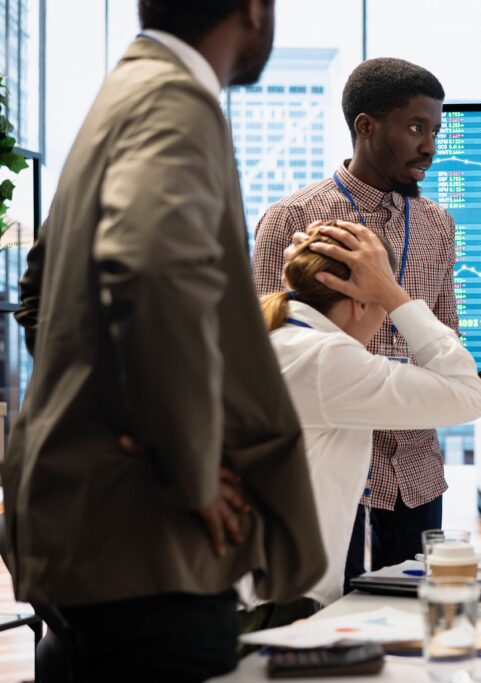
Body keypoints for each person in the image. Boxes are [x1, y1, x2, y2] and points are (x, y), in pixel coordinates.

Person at [2, 1, 327, 679]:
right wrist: (189, 461)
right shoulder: (176, 101)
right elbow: (148, 268)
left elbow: (41, 295)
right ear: (253, 10)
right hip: (145, 537)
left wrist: (107, 406)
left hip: (83, 528)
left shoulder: (122, 93)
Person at [251, 57, 481, 587]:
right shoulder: (290, 217)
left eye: (436, 130)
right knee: (324, 611)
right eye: (416, 127)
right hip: (325, 469)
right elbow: (269, 344)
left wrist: (468, 385)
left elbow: (444, 329)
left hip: (415, 465)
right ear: (366, 127)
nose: (430, 146)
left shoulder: (437, 223)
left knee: (423, 608)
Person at [238, 221, 481, 631]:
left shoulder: (268, 337)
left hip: (237, 594)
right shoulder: (325, 359)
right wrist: (393, 293)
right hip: (275, 606)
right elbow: (469, 393)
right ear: (359, 303)